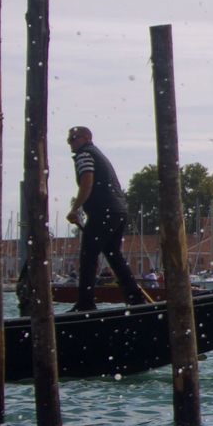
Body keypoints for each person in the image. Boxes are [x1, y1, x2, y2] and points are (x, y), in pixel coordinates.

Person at [65, 125, 150, 310]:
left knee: (88, 257)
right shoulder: (98, 155)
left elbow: (87, 183)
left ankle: (85, 304)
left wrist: (75, 209)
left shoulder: (84, 155)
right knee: (113, 255)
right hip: (118, 211)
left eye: (74, 138)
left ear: (87, 138)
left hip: (103, 212)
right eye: (69, 140)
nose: (70, 142)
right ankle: (135, 299)